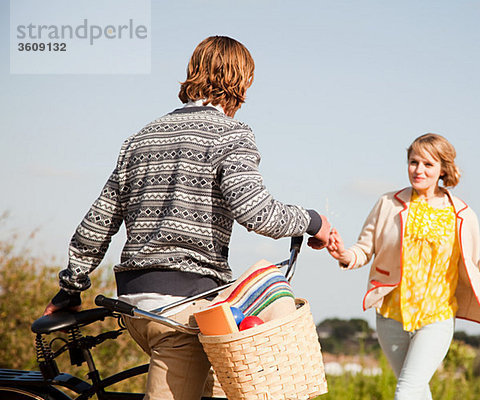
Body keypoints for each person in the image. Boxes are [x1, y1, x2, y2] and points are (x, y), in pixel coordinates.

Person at [43, 35, 330, 400]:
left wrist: (70, 289)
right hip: (181, 313)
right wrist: (314, 221)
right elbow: (257, 212)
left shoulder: (140, 138)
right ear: (244, 81)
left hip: (135, 306)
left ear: (193, 72)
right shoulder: (230, 134)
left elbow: (97, 223)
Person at [326, 133, 480, 399]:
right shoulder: (387, 204)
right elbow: (364, 250)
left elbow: (472, 272)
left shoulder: (462, 214)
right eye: (413, 162)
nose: (418, 170)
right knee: (417, 391)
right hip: (390, 316)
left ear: (443, 169)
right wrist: (343, 254)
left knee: (406, 393)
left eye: (428, 164)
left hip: (437, 317)